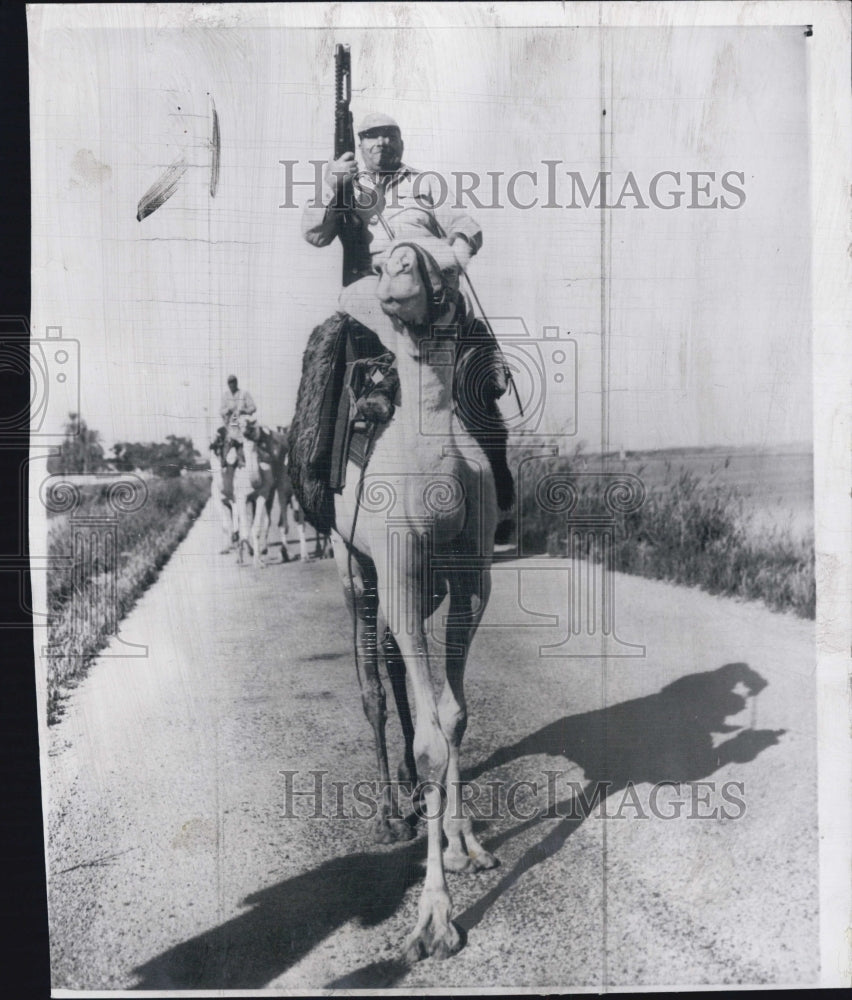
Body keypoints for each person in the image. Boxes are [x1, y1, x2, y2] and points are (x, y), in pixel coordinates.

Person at [300, 113, 514, 533]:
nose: (381, 143)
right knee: (353, 313)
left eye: (389, 135)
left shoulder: (424, 184)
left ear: (402, 142)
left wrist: (457, 254)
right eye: (372, 137)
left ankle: (496, 488)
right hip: (377, 284)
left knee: (481, 381)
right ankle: (326, 464)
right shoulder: (349, 185)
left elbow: (465, 225)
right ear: (359, 146)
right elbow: (314, 234)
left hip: (432, 284)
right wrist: (332, 186)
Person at [219, 375, 257, 443]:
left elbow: (253, 407)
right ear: (228, 384)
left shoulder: (244, 393)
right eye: (230, 382)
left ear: (236, 382)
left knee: (248, 442)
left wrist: (244, 411)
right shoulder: (225, 396)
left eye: (233, 382)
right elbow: (221, 411)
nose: (232, 384)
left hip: (243, 423)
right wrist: (228, 410)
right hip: (230, 424)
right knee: (219, 438)